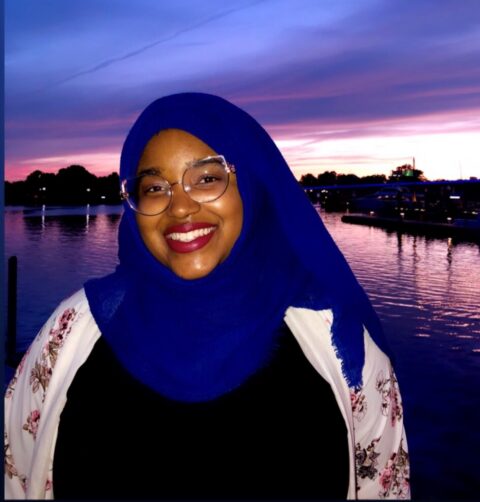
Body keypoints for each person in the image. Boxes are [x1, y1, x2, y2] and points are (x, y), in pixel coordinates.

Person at [4, 93, 410, 500]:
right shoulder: (74, 331)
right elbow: (15, 474)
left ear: (252, 184)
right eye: (154, 187)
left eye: (206, 178)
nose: (179, 207)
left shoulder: (336, 338)